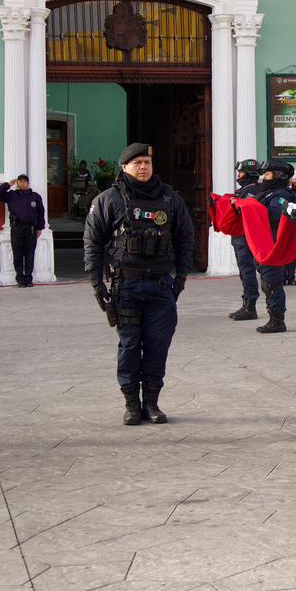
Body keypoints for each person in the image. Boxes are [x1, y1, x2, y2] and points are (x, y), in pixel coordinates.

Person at [83, 143, 193, 425]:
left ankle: (152, 404)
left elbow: (185, 237)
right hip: (126, 287)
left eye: (147, 162)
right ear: (124, 167)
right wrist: (97, 283)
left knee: (158, 346)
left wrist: (180, 277)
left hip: (160, 287)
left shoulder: (169, 199)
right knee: (130, 345)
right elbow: (93, 242)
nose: (143, 167)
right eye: (137, 163)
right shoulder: (109, 199)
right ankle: (132, 405)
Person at [252, 159, 296, 334]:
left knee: (272, 283)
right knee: (267, 281)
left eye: (268, 174)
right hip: (264, 244)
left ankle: (277, 319)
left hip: (273, 245)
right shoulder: (268, 193)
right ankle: (273, 316)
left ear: (278, 175)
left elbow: (275, 216)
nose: (264, 177)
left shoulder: (280, 196)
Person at [0, 174, 47, 287]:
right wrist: (8, 184)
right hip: (17, 227)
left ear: (28, 183)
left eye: (25, 181)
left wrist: (40, 228)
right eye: (20, 181)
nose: (23, 183)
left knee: (29, 254)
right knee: (18, 254)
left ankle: (28, 278)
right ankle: (20, 279)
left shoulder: (35, 196)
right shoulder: (11, 195)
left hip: (31, 228)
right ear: (17, 183)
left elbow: (41, 212)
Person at [227, 159, 263, 320]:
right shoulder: (248, 189)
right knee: (245, 271)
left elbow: (245, 212)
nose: (238, 175)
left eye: (241, 172)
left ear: (248, 174)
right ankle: (247, 304)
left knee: (247, 271)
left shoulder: (252, 191)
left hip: (245, 236)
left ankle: (250, 307)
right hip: (242, 236)